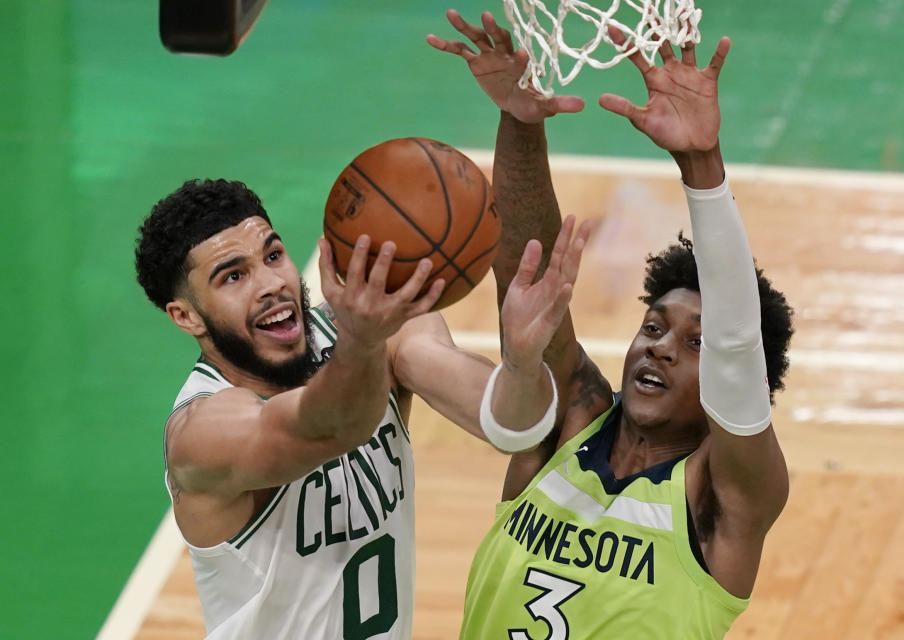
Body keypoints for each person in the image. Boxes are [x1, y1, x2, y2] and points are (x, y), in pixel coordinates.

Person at [429, 10, 795, 638]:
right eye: (654, 327)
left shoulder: (723, 495)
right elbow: (527, 276)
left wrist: (702, 164)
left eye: (695, 341)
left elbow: (739, 346)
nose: (662, 350)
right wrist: (520, 122)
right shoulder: (568, 424)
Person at [133, 177, 590, 639]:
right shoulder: (203, 434)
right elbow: (330, 426)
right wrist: (364, 340)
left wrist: (521, 362)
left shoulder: (378, 334)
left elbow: (513, 423)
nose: (271, 284)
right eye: (234, 276)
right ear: (186, 316)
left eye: (273, 255)